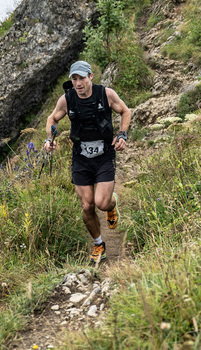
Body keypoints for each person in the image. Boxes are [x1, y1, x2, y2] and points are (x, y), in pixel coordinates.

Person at [43, 60, 130, 264]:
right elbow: (52, 119)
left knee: (101, 202)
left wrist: (123, 134)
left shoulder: (106, 94)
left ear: (91, 76)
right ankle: (99, 244)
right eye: (74, 79)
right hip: (81, 156)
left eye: (82, 78)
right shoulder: (67, 99)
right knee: (87, 204)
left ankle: (112, 204)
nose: (78, 82)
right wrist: (49, 139)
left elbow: (125, 111)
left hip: (104, 155)